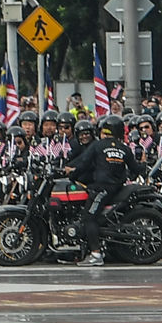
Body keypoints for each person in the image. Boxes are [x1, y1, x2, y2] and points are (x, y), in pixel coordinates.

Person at [64, 114, 141, 267]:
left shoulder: (98, 145)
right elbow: (135, 169)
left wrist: (70, 171)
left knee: (88, 218)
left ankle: (96, 254)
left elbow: (84, 162)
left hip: (102, 188)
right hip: (116, 188)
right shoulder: (124, 148)